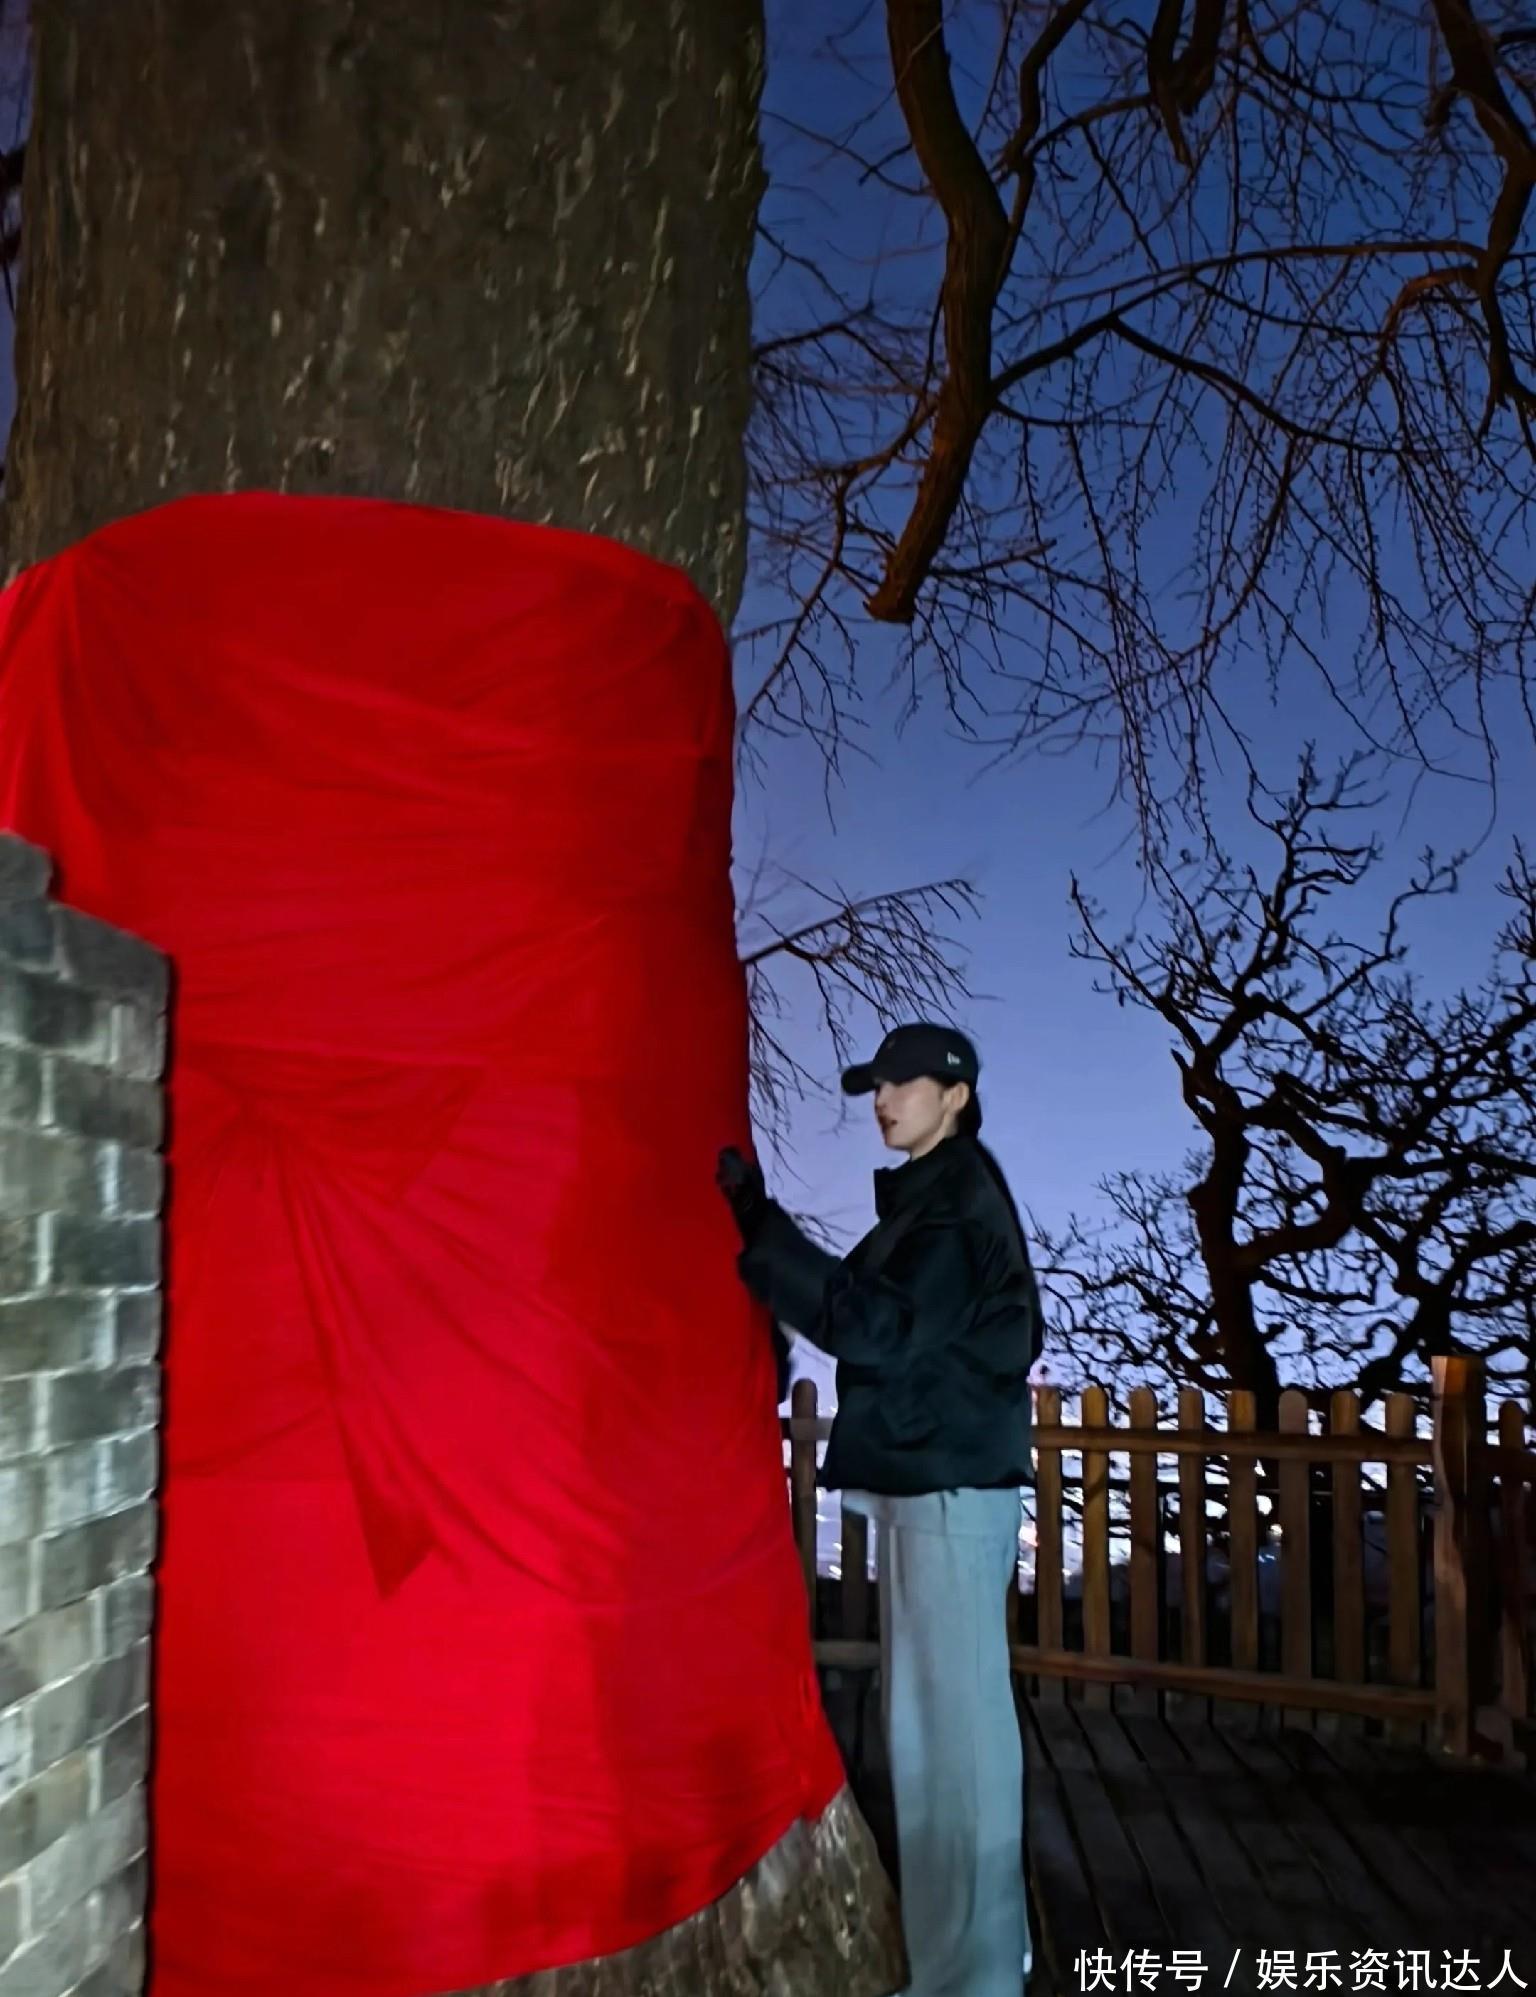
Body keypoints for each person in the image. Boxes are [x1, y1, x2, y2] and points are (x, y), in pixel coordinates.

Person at [716, 1023, 1041, 1997]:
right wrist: (766, 1235)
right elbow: (859, 1298)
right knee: (926, 1739)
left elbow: (874, 1322)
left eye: (903, 1082)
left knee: (957, 1749)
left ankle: (978, 1976)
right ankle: (956, 1964)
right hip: (926, 1483)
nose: (882, 1099)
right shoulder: (930, 1197)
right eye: (876, 1084)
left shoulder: (958, 1206)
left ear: (957, 1094)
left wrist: (760, 1225)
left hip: (950, 1490)